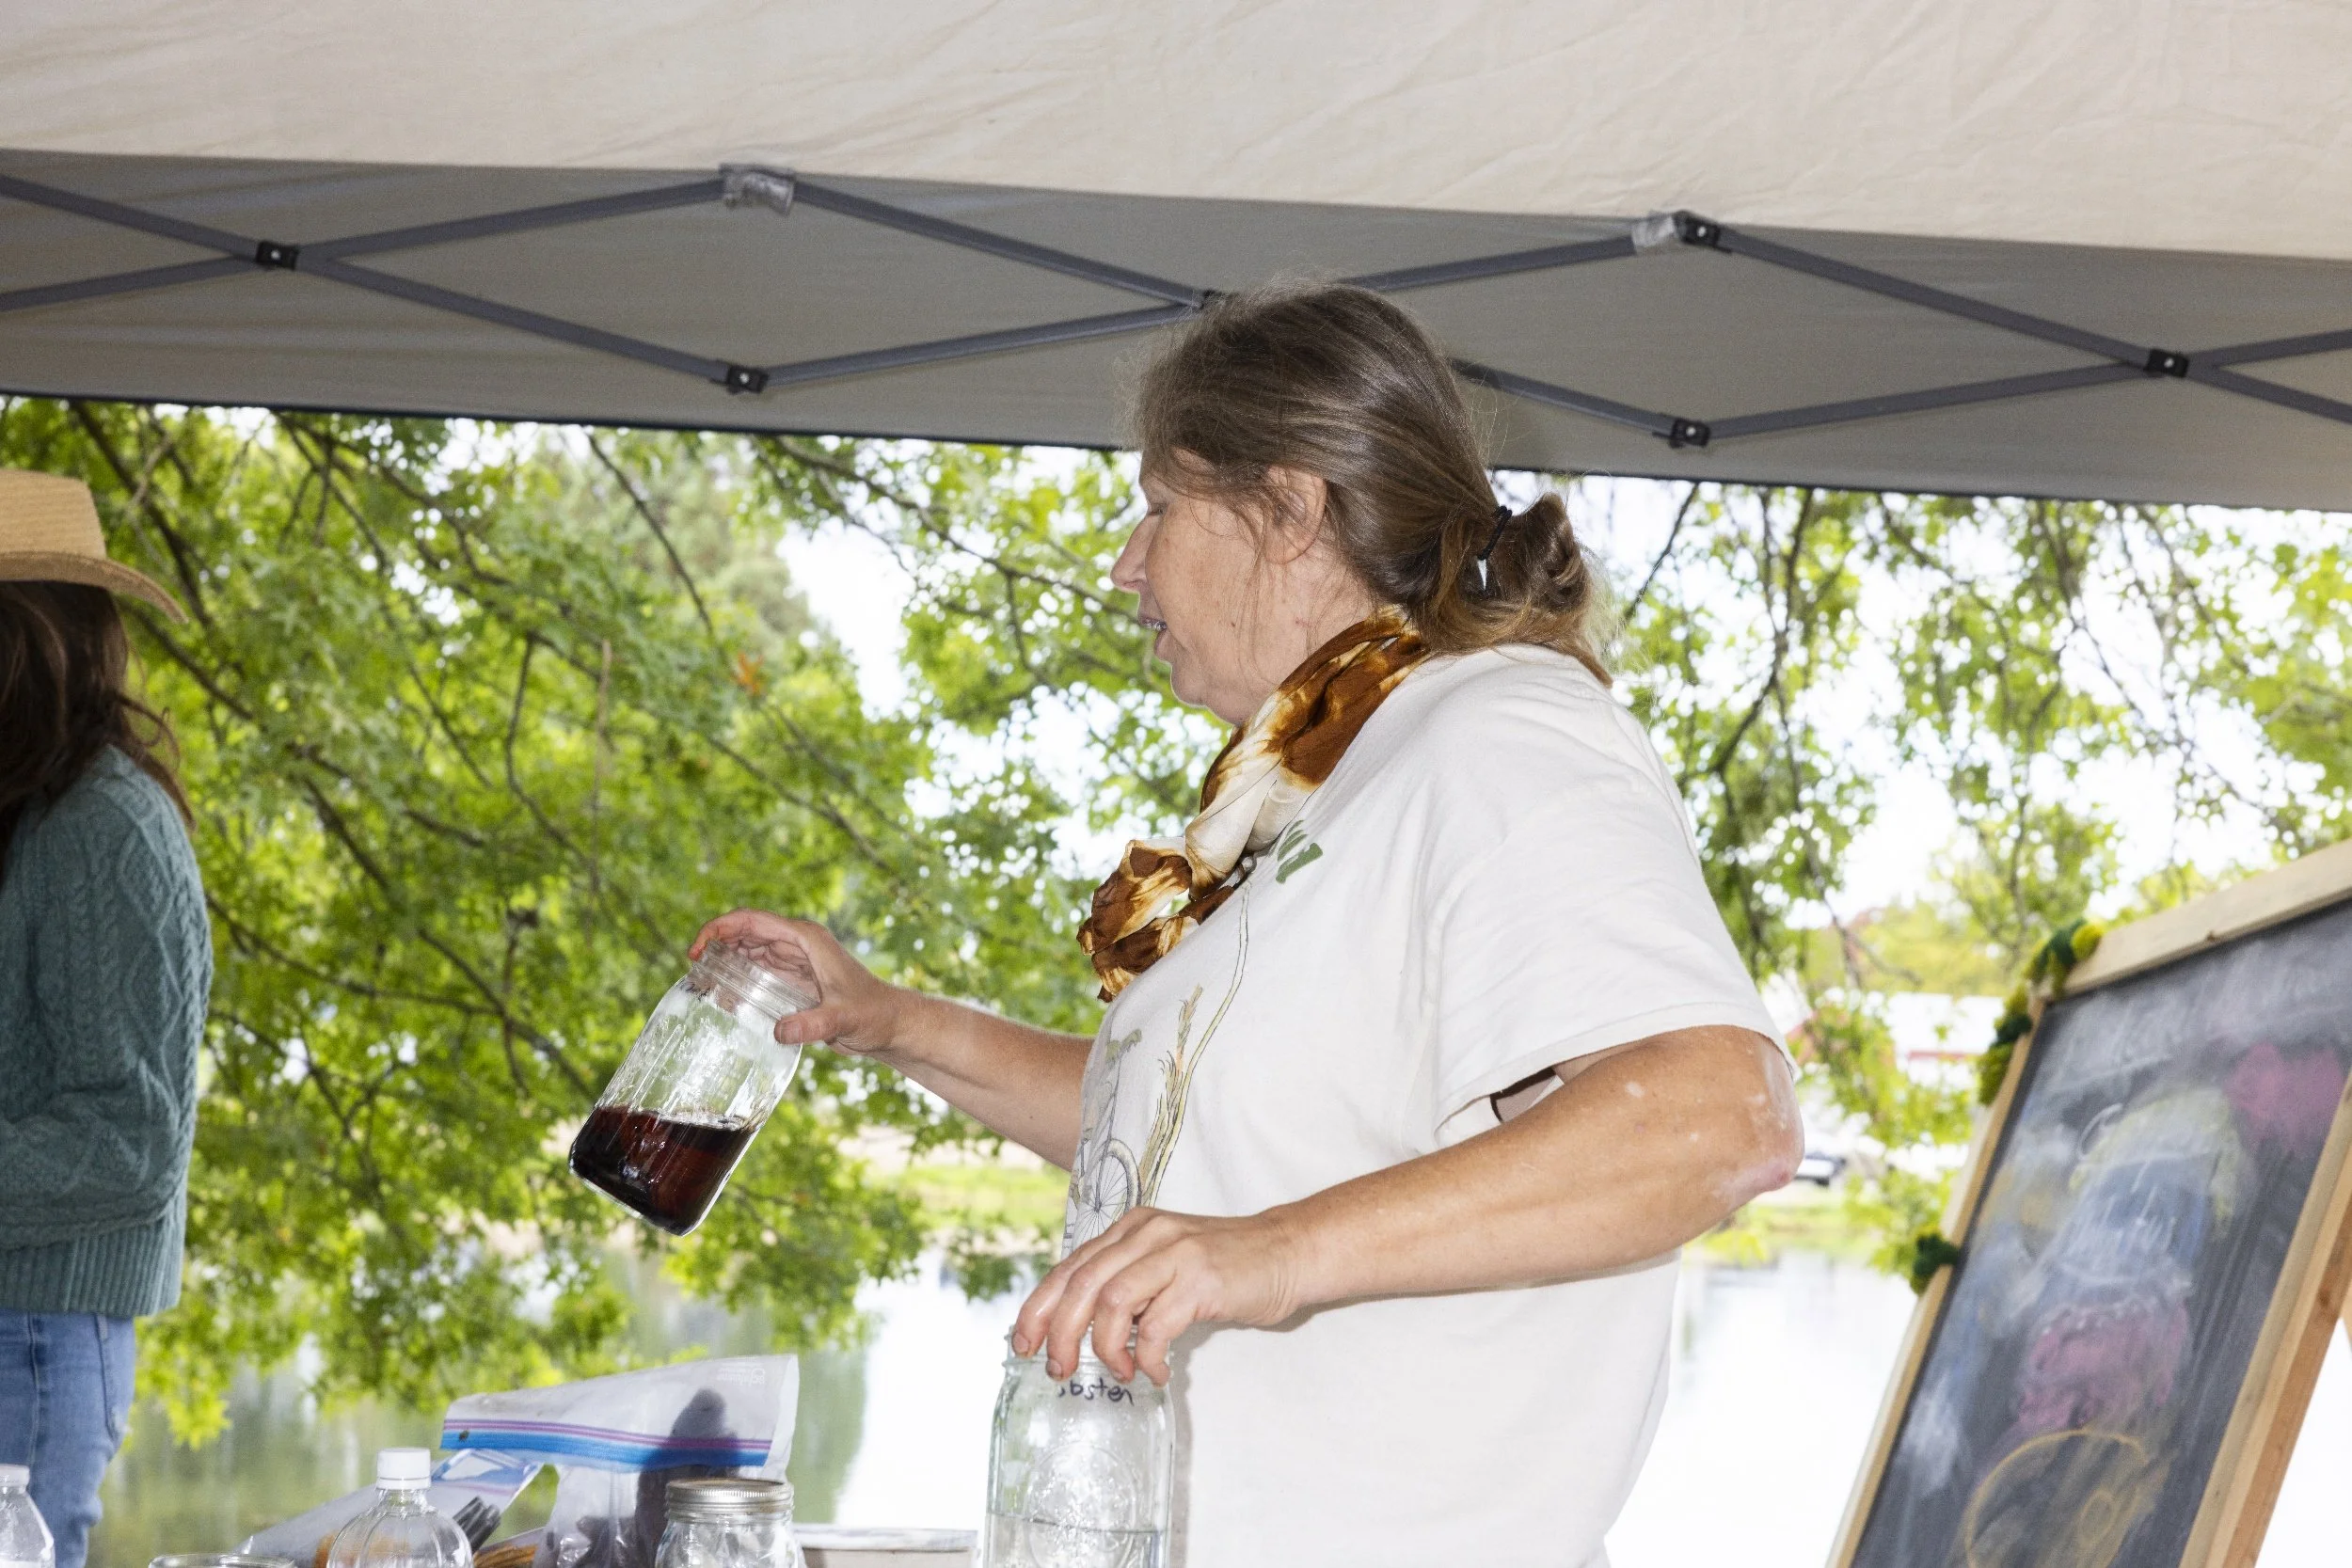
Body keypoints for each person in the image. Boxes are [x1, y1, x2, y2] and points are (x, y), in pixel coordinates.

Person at [696, 284, 1800, 1567]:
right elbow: (1181, 1137)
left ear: (1288, 509)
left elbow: (1721, 1112)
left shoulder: (1504, 731)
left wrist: (1268, 1255)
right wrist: (900, 1024)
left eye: (1159, 507)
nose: (1124, 561)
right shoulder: (1324, 786)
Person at [0, 470, 210, 1568]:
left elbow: (130, 1141)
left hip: (30, 1334)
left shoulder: (103, 825)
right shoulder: (27, 808)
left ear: (24, 634)